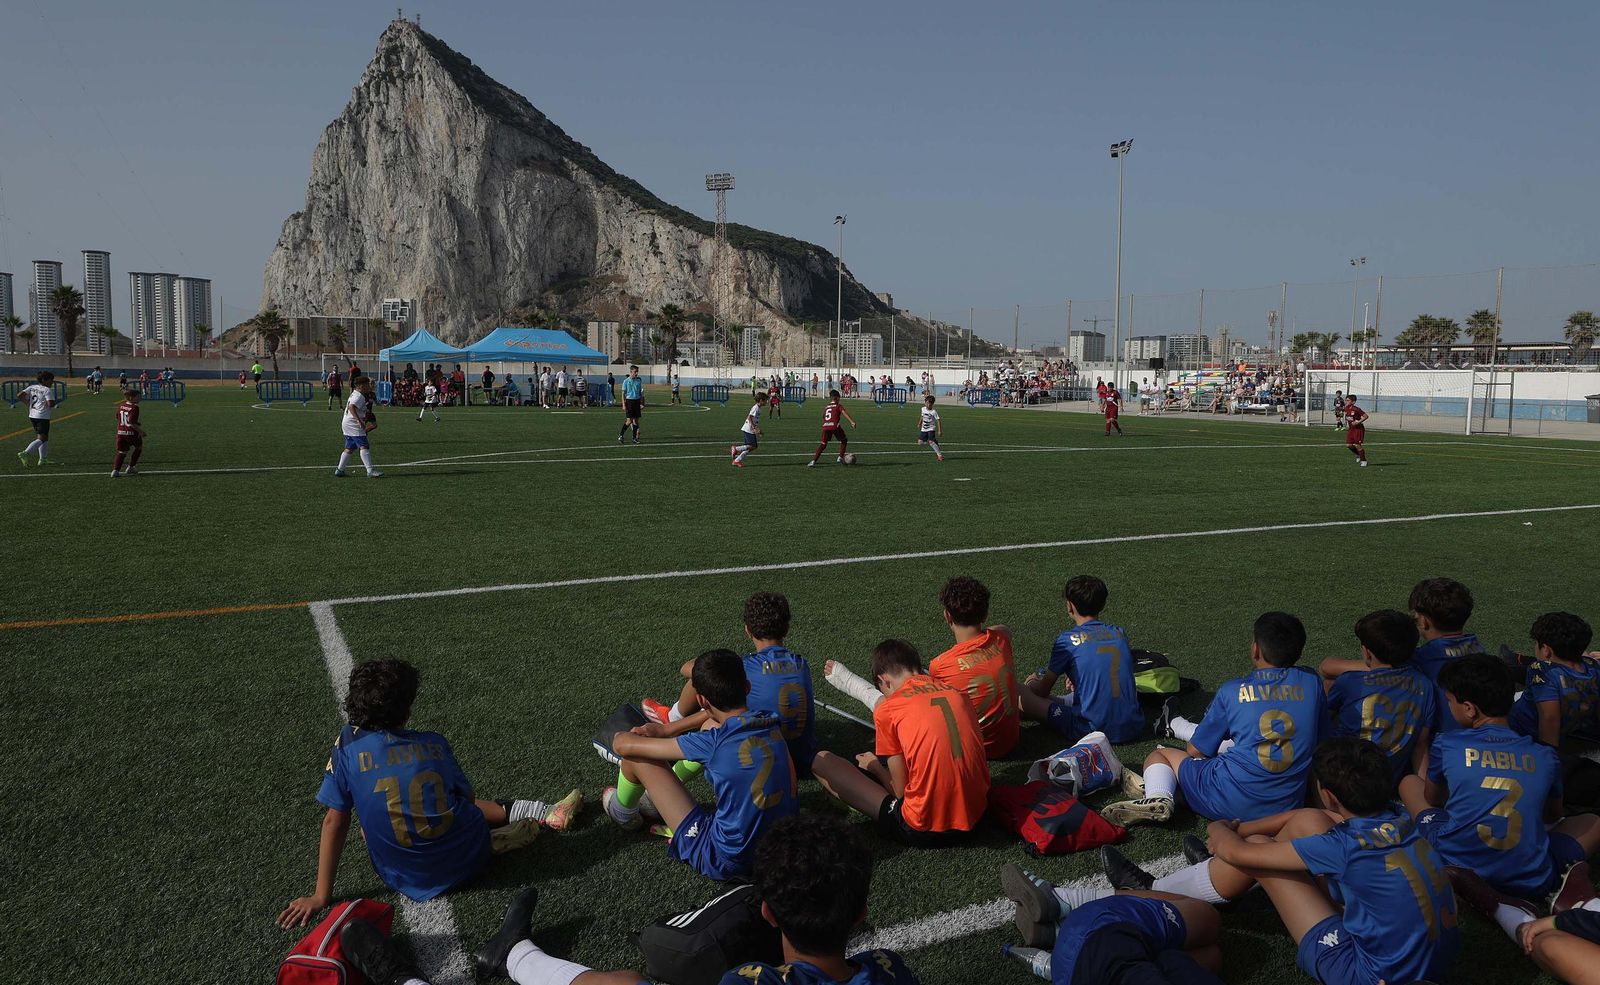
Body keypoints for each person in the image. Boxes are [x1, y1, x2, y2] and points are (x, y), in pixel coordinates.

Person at [1103, 737, 1458, 985]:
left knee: (1259, 853)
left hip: (1368, 975)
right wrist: (1237, 834)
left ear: (1329, 795)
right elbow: (1308, 819)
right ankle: (1221, 884)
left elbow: (1241, 853)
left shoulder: (1343, 845)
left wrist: (1222, 832)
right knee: (1303, 824)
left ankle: (1153, 890)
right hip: (1429, 967)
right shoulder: (1405, 824)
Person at [276, 658, 580, 927]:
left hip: (401, 876)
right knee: (454, 804)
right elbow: (469, 800)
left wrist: (320, 896)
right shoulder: (432, 743)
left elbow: (334, 821)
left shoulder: (346, 746)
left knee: (368, 829)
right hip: (468, 860)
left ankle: (508, 832)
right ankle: (535, 815)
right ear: (406, 712)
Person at [458, 815, 915, 985]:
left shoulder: (753, 980)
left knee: (628, 983)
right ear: (861, 913)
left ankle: (516, 956)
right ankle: (514, 954)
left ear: (768, 912)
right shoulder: (890, 969)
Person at [1399, 653, 1600, 902]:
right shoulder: (1545, 755)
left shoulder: (1447, 743)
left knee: (1409, 783)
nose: (1449, 707)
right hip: (1531, 879)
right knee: (1593, 821)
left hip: (1454, 860)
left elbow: (1433, 797)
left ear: (1470, 708)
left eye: (1450, 701)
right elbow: (1552, 815)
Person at [1103, 612, 1327, 826]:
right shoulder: (1312, 682)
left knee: (1162, 754)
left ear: (1256, 649)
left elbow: (1196, 750)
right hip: (1287, 805)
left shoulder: (1232, 691)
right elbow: (1323, 741)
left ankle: (1159, 796)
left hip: (1231, 800)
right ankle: (1173, 779)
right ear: (1300, 650)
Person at [605, 648, 798, 881]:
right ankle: (654, 801)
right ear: (747, 688)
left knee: (637, 759)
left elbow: (624, 746)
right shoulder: (770, 721)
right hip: (778, 851)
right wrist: (666, 729)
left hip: (726, 860)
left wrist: (625, 736)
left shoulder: (712, 743)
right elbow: (712, 717)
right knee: (710, 726)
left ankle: (622, 812)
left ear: (701, 700)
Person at [811, 639, 990, 846]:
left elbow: (900, 792)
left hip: (926, 828)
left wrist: (875, 766)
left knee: (821, 761)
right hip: (979, 816)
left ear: (885, 681)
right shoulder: (958, 694)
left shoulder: (888, 710)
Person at [641, 592, 817, 776]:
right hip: (803, 760)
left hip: (764, 756)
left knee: (708, 698)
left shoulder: (747, 667)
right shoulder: (801, 664)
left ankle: (672, 723)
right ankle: (672, 724)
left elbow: (687, 668)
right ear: (787, 628)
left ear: (747, 630)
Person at [998, 869, 1222, 984]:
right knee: (1212, 952)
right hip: (1071, 976)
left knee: (1207, 917)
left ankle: (1067, 900)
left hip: (1097, 932)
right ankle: (1055, 957)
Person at [1319, 578, 1484, 732]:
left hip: (1439, 742)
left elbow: (1329, 668)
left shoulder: (1420, 659)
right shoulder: (1479, 647)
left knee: (1333, 683)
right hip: (1476, 734)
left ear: (1424, 621)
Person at [1024, 575, 1144, 745]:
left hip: (1092, 730)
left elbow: (1042, 691)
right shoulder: (1119, 633)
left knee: (1021, 694)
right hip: (1134, 726)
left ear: (1070, 605)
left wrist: (1032, 683)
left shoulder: (1066, 641)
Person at [1322, 609, 1436, 780]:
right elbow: (1421, 744)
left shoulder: (1350, 682)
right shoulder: (1424, 684)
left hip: (1345, 776)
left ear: (1367, 652)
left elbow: (1321, 718)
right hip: (1387, 781)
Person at [1509, 612, 1599, 747]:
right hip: (1577, 734)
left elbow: (1549, 719)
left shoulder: (1542, 669)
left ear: (1546, 650)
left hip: (1521, 735)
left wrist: (1549, 757)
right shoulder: (1594, 667)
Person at [335, 376, 383, 478]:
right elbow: (352, 407)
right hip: (353, 424)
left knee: (349, 447)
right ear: (361, 386)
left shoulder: (355, 393)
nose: (368, 387)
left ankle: (340, 470)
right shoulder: (359, 396)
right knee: (364, 445)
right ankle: (370, 471)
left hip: (346, 423)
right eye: (366, 385)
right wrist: (359, 420)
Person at [15, 371, 57, 467]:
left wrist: (28, 403)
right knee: (42, 438)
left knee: (43, 437)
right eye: (51, 380)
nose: (52, 382)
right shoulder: (47, 390)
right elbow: (51, 404)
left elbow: (19, 395)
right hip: (42, 416)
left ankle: (43, 459)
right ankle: (25, 453)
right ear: (44, 380)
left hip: (33, 415)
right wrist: (54, 402)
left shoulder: (32, 387)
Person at [809, 389, 857, 467]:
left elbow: (823, 416)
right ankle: (840, 457)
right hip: (835, 426)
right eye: (839, 398)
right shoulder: (838, 406)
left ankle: (813, 461)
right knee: (844, 440)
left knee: (823, 444)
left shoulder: (826, 407)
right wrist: (851, 421)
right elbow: (844, 413)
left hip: (825, 427)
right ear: (837, 398)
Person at [111, 388, 145, 478]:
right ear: (131, 398)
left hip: (121, 433)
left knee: (122, 452)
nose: (140, 398)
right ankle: (131, 467)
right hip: (132, 434)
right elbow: (131, 423)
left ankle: (115, 471)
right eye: (138, 397)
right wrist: (141, 432)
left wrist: (135, 423)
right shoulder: (135, 407)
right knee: (139, 447)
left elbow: (118, 418)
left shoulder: (121, 406)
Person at [730, 394, 763, 468]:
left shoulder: (758, 408)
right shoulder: (756, 408)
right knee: (753, 446)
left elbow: (755, 420)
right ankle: (736, 448)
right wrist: (754, 427)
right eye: (766, 400)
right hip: (749, 429)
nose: (767, 402)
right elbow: (749, 417)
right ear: (761, 400)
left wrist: (758, 430)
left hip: (749, 429)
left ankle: (737, 460)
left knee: (749, 447)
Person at [619, 365, 644, 444]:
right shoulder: (626, 381)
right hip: (629, 401)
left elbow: (640, 393)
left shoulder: (639, 381)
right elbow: (623, 394)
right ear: (631, 372)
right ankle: (621, 435)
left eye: (637, 372)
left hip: (636, 402)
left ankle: (634, 438)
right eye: (635, 372)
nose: (636, 373)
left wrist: (641, 403)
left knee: (636, 421)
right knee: (629, 421)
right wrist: (623, 404)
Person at [1342, 395, 1368, 467]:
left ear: (1353, 402)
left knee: (1357, 445)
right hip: (1351, 429)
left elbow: (1366, 416)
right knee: (1348, 445)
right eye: (1346, 400)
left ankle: (1363, 461)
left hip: (1358, 429)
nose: (1346, 402)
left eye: (1348, 400)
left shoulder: (1356, 409)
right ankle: (1358, 454)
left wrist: (1358, 422)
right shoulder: (1346, 408)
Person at [917, 395, 944, 461]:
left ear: (932, 404)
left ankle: (940, 455)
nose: (928, 405)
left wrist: (939, 431)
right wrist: (919, 423)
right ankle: (934, 442)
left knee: (931, 441)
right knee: (920, 442)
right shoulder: (923, 409)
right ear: (925, 402)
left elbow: (938, 420)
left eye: (930, 403)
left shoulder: (933, 412)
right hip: (924, 429)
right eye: (927, 403)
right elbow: (922, 416)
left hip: (931, 428)